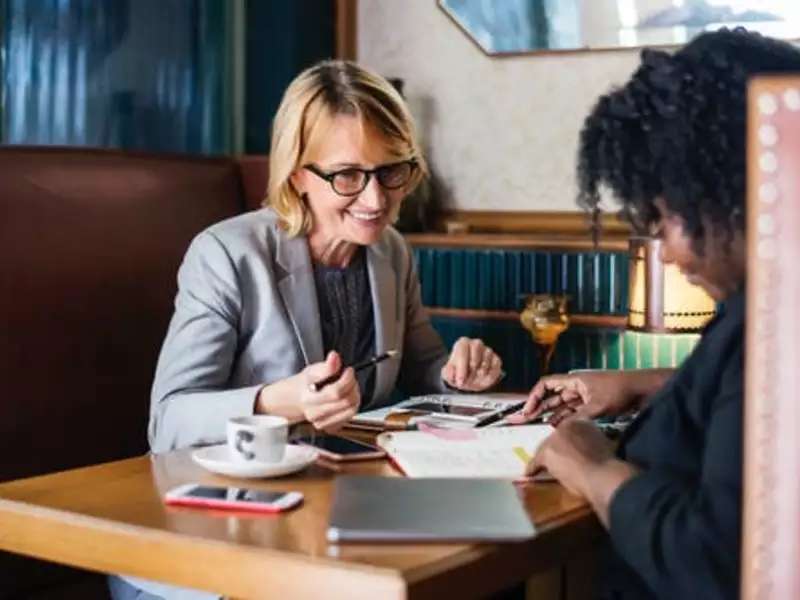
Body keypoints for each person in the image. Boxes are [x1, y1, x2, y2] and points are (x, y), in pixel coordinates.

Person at [110, 60, 505, 600]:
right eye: (347, 175)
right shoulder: (227, 255)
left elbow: (424, 366)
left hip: (331, 522)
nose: (375, 199)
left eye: (393, 171)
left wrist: (461, 373)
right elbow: (169, 421)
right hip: (210, 545)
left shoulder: (390, 251)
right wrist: (279, 402)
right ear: (297, 173)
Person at [508, 29, 800, 600]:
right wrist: (645, 385)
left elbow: (716, 563)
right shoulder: (764, 312)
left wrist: (594, 467)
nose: (667, 251)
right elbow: (755, 413)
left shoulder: (773, 327)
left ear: (725, 194)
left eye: (664, 219)